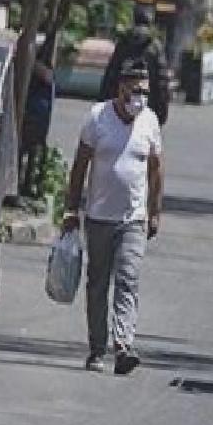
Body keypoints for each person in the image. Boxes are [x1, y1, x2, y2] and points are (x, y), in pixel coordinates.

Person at [63, 61, 165, 375]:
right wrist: (70, 210)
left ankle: (123, 346)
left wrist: (154, 211)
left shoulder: (149, 121)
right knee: (97, 285)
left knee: (128, 279)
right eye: (136, 90)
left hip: (133, 218)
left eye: (146, 92)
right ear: (121, 88)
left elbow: (156, 169)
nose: (141, 98)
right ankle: (97, 349)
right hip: (98, 217)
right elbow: (80, 166)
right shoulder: (97, 118)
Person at [99, 4, 171, 126]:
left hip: (121, 104)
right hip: (147, 104)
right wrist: (162, 112)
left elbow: (111, 75)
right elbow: (162, 81)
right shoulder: (155, 46)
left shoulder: (123, 43)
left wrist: (102, 103)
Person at [19, 44, 57, 199]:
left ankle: (31, 186)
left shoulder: (42, 72)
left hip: (39, 118)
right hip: (30, 116)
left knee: (35, 152)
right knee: (24, 152)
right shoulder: (30, 71)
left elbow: (48, 76)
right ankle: (23, 186)